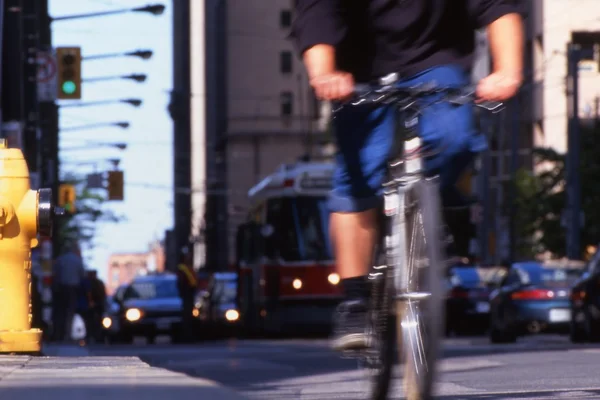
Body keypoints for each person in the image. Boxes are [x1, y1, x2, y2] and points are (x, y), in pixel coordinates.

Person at [291, 0, 524, 351]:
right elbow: (318, 13)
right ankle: (356, 300)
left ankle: (421, 211)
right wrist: (324, 71)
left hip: (434, 60)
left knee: (456, 139)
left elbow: (496, 6)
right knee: (358, 177)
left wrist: (508, 69)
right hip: (359, 70)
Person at [51, 242, 86, 342]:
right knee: (70, 312)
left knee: (60, 312)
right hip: (73, 288)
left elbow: (55, 274)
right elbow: (82, 274)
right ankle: (67, 335)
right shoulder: (77, 260)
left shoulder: (60, 260)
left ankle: (58, 334)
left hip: (61, 288)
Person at [176, 251, 198, 342]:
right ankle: (186, 336)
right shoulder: (182, 268)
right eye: (187, 256)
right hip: (187, 294)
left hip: (190, 293)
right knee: (187, 316)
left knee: (190, 315)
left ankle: (189, 335)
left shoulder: (188, 268)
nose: (189, 258)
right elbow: (181, 282)